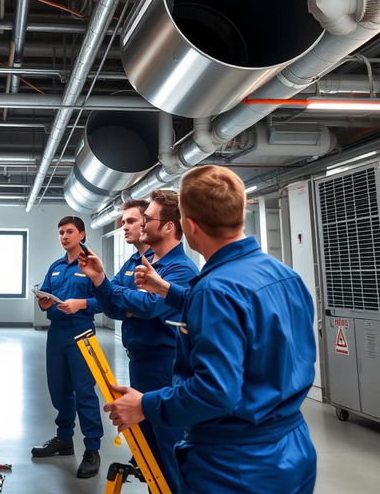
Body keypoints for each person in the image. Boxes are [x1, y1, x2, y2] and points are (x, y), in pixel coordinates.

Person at [105, 165, 317, 494]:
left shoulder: (214, 290)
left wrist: (145, 405)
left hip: (235, 463)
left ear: (188, 225)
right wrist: (169, 291)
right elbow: (243, 315)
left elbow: (214, 392)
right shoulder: (284, 276)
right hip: (293, 447)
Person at [81, 193, 198, 491]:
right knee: (148, 451)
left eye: (148, 219)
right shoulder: (147, 262)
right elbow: (113, 306)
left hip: (165, 366)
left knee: (169, 445)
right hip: (141, 363)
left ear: (169, 227)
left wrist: (134, 301)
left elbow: (148, 306)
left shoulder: (180, 269)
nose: (142, 224)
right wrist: (101, 281)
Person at [31, 216, 104, 479]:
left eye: (69, 231)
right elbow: (46, 295)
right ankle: (64, 439)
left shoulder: (91, 264)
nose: (64, 236)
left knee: (84, 391)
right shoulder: (56, 266)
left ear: (82, 235)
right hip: (57, 334)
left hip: (82, 333)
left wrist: (81, 304)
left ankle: (92, 449)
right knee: (59, 389)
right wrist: (44, 302)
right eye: (60, 232)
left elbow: (106, 299)